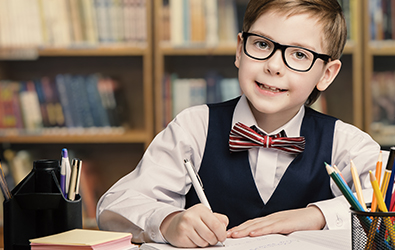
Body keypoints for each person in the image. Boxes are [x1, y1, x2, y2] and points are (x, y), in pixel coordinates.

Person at [96, 0, 380, 247]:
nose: (274, 66)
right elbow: (115, 206)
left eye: (299, 55)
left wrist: (317, 215)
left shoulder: (347, 142)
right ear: (239, 50)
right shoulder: (195, 127)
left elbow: (391, 207)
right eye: (262, 44)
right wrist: (169, 222)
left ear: (327, 74)